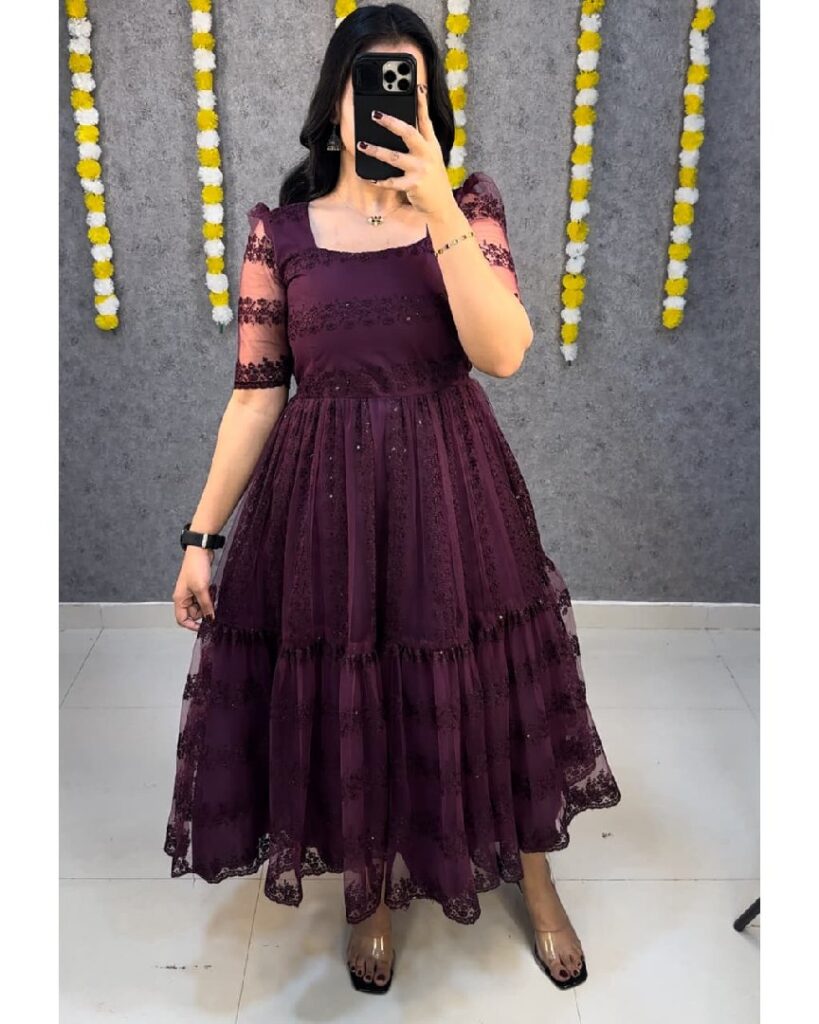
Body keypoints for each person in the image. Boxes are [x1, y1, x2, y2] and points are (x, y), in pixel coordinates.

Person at [165, 2, 621, 996]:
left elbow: (503, 352)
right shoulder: (280, 233)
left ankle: (536, 879)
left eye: (406, 83)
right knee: (356, 692)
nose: (384, 100)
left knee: (488, 683)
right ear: (333, 103)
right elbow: (255, 396)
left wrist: (440, 209)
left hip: (453, 494)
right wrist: (201, 535)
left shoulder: (468, 207)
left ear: (429, 103)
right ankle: (369, 891)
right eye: (368, 80)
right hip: (326, 505)